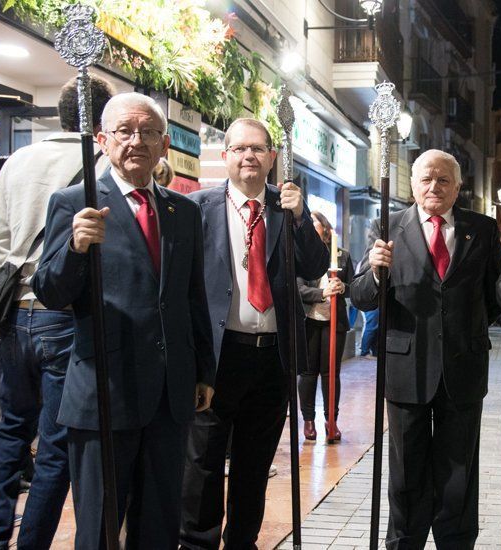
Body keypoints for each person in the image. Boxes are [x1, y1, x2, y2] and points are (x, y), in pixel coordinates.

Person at [32, 92, 216, 548]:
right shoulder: (75, 203)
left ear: (164, 144)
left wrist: (203, 372)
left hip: (170, 396)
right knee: (98, 530)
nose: (137, 141)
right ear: (102, 139)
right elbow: (50, 292)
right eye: (125, 131)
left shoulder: (183, 211)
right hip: (104, 393)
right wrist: (75, 249)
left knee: (158, 528)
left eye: (149, 132)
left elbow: (193, 297)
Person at [0, 75, 114, 549]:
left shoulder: (17, 161)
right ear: (104, 122)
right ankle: (31, 543)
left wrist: (16, 290)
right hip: (66, 318)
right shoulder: (99, 163)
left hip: (16, 316)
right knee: (57, 444)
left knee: (11, 431)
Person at [180, 117, 328, 550]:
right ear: (225, 155)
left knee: (254, 464)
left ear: (272, 157)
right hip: (217, 356)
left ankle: (242, 543)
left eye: (258, 149)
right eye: (240, 148)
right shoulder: (199, 208)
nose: (249, 156)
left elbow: (315, 265)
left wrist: (300, 216)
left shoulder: (287, 208)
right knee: (202, 461)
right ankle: (198, 543)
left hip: (272, 358)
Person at [350, 149, 501, 549]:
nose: (434, 186)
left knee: (459, 473)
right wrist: (375, 268)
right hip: (406, 370)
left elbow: (497, 299)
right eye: (426, 179)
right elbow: (363, 298)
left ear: (458, 187)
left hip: (463, 368)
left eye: (443, 180)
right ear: (413, 185)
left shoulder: (482, 230)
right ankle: (404, 543)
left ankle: (455, 543)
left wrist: (465, 330)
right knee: (406, 474)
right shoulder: (386, 226)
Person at [297, 210, 353, 442]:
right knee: (309, 373)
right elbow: (297, 289)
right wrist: (322, 293)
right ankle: (308, 420)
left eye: (315, 225)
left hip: (334, 322)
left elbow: (353, 287)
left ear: (327, 231)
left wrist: (342, 287)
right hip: (310, 321)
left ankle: (332, 420)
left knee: (331, 373)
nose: (312, 229)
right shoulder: (302, 255)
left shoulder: (342, 256)